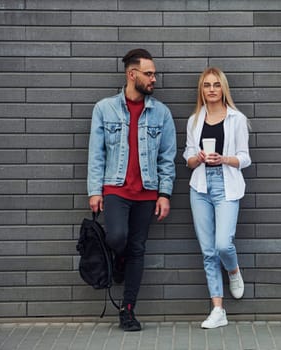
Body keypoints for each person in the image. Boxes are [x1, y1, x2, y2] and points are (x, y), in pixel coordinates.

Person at [87, 48, 176, 331]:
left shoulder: (161, 113)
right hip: (115, 189)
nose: (154, 79)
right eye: (148, 73)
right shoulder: (105, 108)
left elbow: (167, 157)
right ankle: (119, 257)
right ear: (132, 74)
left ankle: (127, 311)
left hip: (147, 193)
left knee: (138, 248)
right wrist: (94, 190)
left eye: (154, 73)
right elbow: (96, 154)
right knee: (117, 236)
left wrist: (165, 194)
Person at [183, 67, 251, 329]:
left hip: (226, 186)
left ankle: (233, 271)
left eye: (216, 85)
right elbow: (188, 157)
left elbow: (245, 158)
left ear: (223, 89)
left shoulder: (236, 119)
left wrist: (223, 159)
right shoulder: (194, 120)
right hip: (200, 187)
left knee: (223, 244)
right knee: (208, 251)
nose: (211, 89)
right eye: (206, 85)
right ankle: (218, 309)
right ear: (202, 90)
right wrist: (196, 159)